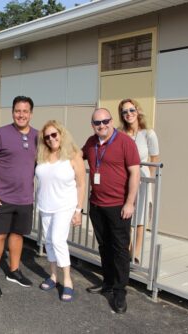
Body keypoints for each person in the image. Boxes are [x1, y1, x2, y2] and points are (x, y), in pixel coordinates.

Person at [82, 108, 140, 314]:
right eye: (97, 123)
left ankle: (119, 290)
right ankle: (107, 282)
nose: (102, 125)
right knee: (104, 246)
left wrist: (130, 202)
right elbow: (73, 158)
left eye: (105, 121)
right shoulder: (91, 142)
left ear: (111, 121)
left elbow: (135, 173)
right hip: (97, 205)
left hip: (118, 206)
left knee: (119, 249)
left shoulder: (125, 142)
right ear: (92, 125)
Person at [0, 96, 38, 298]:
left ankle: (14, 271)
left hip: (25, 198)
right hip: (2, 197)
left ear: (31, 113)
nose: (21, 115)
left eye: (25, 111)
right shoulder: (1, 134)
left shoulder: (38, 136)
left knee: (17, 235)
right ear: (12, 112)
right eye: (17, 111)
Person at [35, 120, 85, 302]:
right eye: (47, 137)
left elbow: (81, 184)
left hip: (65, 206)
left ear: (61, 134)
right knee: (48, 241)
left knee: (58, 240)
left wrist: (78, 210)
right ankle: (53, 276)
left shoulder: (73, 156)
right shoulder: (42, 156)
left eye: (54, 134)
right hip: (45, 205)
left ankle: (68, 281)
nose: (51, 139)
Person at [118, 98, 159, 263]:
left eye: (131, 110)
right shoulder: (120, 134)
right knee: (126, 214)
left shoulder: (148, 133)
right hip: (124, 177)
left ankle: (135, 253)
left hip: (142, 177)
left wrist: (149, 179)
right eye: (125, 112)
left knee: (140, 215)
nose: (129, 114)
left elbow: (155, 158)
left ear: (137, 111)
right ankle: (126, 250)